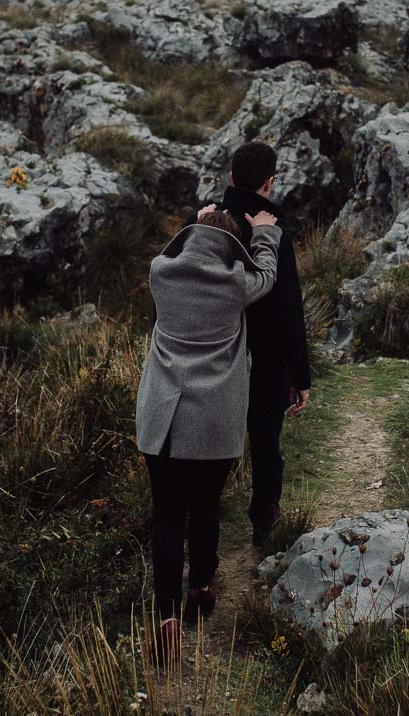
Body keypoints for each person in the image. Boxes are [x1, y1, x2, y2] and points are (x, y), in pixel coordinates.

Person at [135, 203, 281, 660]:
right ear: (229, 248)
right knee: (205, 508)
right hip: (215, 422)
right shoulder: (237, 284)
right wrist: (261, 233)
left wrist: (194, 227)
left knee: (166, 517)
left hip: (163, 420)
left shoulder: (161, 273)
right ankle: (200, 587)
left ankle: (167, 616)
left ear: (193, 236)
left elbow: (171, 250)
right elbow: (269, 273)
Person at [197, 141, 313, 546]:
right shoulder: (274, 227)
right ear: (270, 182)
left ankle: (204, 536)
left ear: (230, 177)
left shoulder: (207, 221)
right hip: (265, 360)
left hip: (213, 357)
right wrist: (300, 375)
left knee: (211, 456)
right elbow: (287, 308)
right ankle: (264, 529)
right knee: (266, 449)